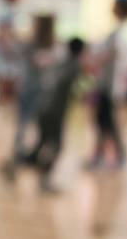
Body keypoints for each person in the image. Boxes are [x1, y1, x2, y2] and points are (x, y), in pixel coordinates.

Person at [23, 37, 87, 193]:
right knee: (57, 146)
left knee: (41, 144)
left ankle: (17, 164)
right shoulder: (75, 67)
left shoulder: (61, 62)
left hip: (43, 107)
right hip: (54, 112)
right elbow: (79, 91)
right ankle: (43, 180)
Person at [4, 13, 56, 179]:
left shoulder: (46, 45)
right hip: (31, 91)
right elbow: (13, 53)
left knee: (34, 130)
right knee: (23, 129)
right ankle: (16, 164)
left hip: (38, 93)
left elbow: (41, 62)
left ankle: (30, 163)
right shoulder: (32, 44)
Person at [86, 0, 127, 170]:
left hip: (110, 87)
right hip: (106, 86)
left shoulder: (119, 33)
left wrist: (94, 61)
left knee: (108, 124)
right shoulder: (117, 31)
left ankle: (114, 156)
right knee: (104, 123)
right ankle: (101, 156)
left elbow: (113, 54)